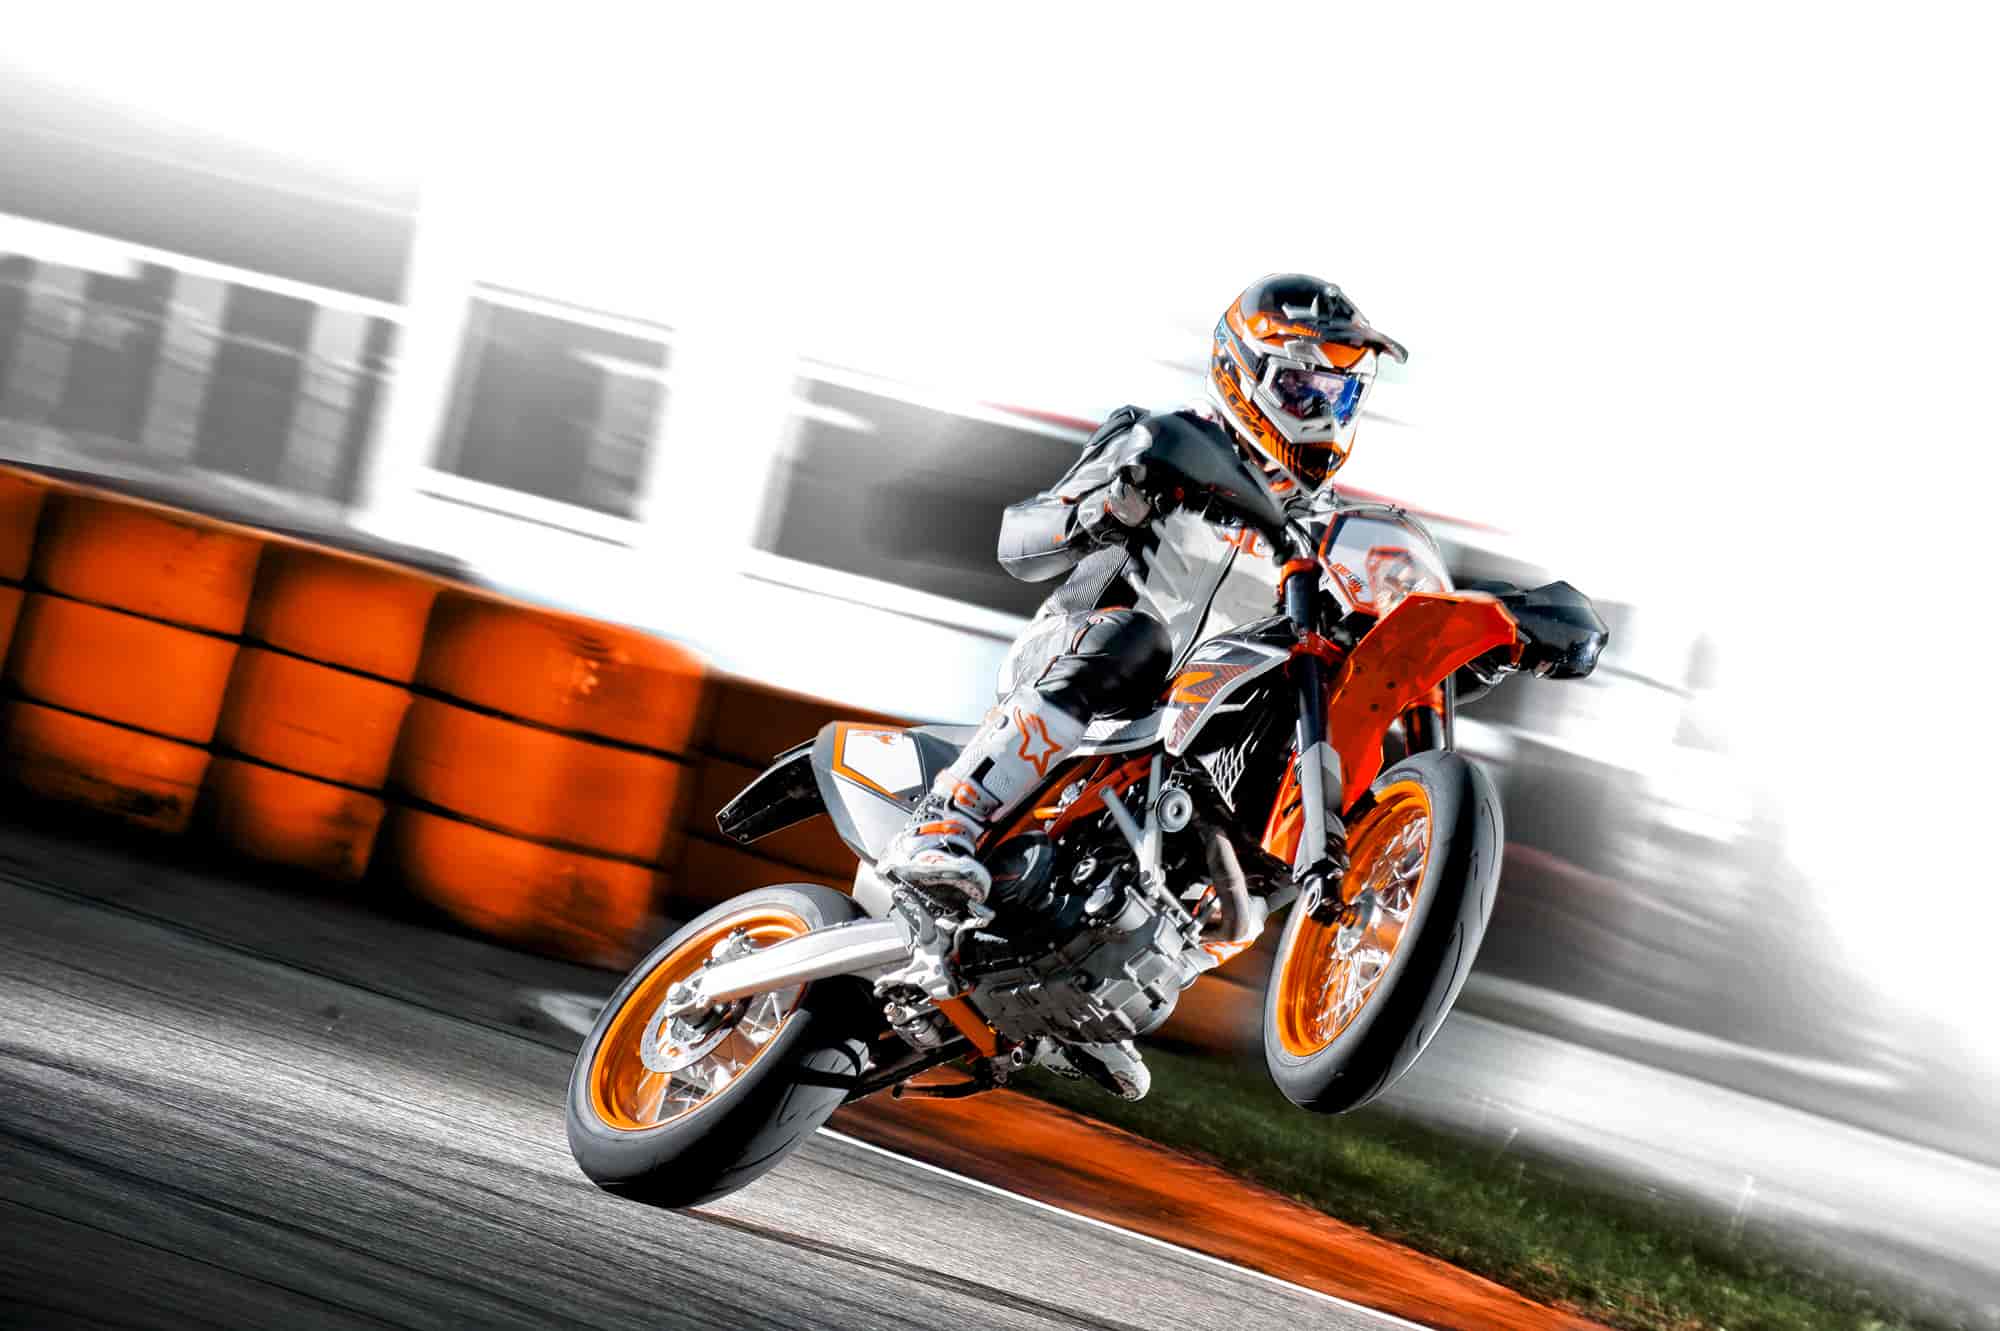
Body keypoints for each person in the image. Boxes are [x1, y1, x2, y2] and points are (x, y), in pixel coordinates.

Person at [878, 273, 1408, 904]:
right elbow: (1018, 542)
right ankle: (944, 819)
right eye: (1300, 388)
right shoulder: (1158, 439)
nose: (1320, 414)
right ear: (1242, 371)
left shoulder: (1332, 534)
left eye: (1336, 395)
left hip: (1191, 729)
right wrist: (1106, 508)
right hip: (1083, 661)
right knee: (1136, 640)